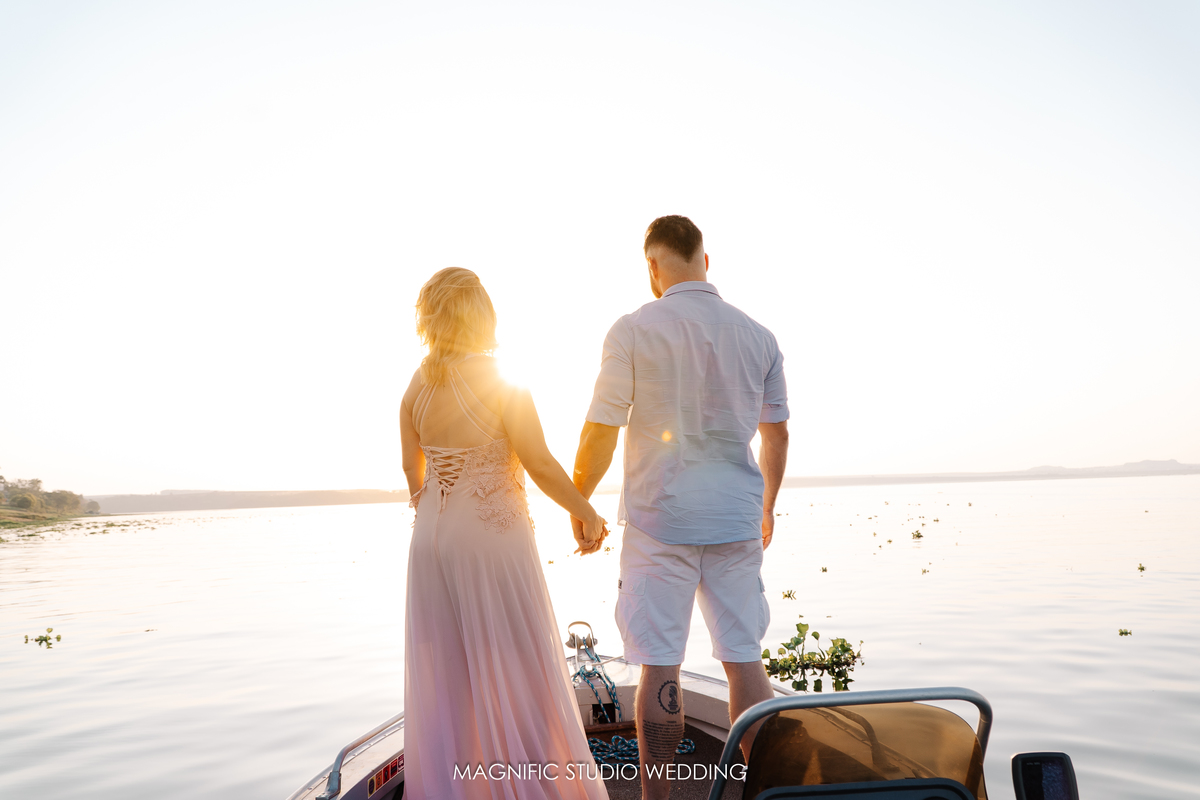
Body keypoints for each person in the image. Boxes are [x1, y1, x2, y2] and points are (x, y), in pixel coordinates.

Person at [571, 216, 789, 800]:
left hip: (659, 522)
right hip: (736, 519)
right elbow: (776, 434)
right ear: (705, 260)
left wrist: (580, 500)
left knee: (661, 666)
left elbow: (601, 429)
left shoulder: (632, 330)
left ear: (652, 266)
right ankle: (766, 793)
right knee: (743, 660)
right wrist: (767, 507)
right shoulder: (759, 336)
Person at [400, 267, 610, 800]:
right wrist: (586, 510)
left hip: (429, 542)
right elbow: (538, 462)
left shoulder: (416, 386)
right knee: (519, 662)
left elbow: (412, 472)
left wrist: (439, 513)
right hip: (491, 536)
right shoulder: (499, 380)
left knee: (450, 671)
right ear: (482, 315)